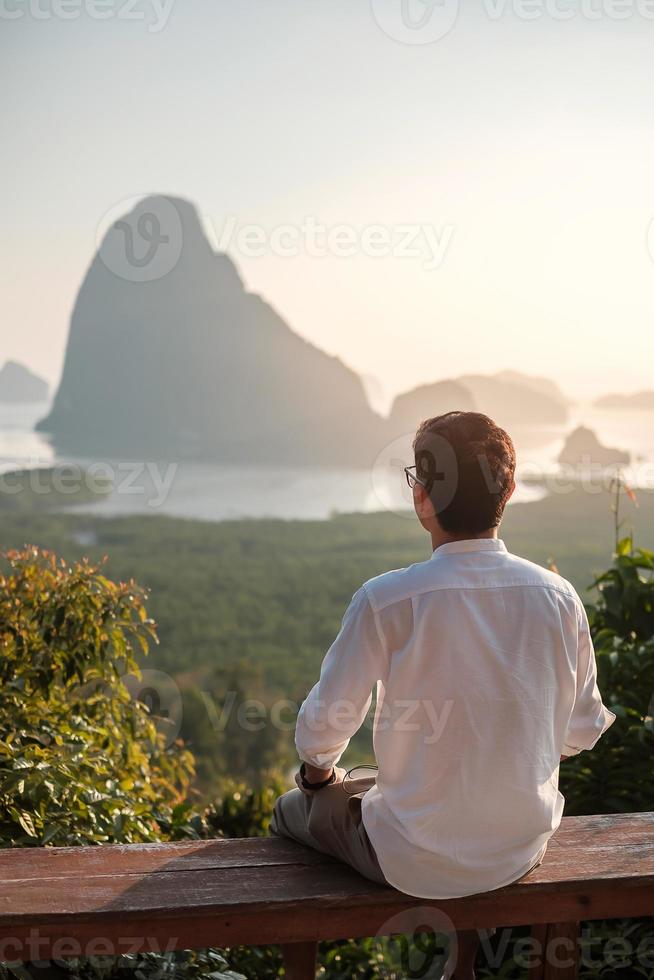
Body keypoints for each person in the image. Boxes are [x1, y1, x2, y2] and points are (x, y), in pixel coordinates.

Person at [270, 411, 615, 980]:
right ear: (507, 490)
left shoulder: (388, 599)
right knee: (422, 792)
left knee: (291, 812)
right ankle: (464, 967)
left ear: (422, 497)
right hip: (519, 848)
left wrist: (316, 778)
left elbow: (321, 731)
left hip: (409, 861)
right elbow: (579, 734)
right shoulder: (559, 597)